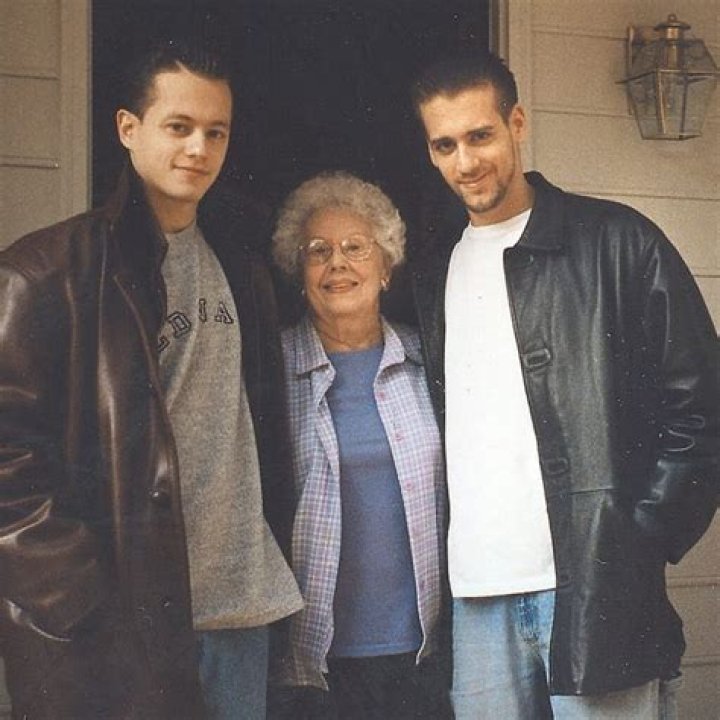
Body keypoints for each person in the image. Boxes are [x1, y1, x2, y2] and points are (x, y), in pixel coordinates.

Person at [408, 51, 720, 720]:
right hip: (476, 601)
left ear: (517, 123)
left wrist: (640, 541)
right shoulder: (432, 273)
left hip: (596, 593)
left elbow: (702, 405)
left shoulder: (618, 242)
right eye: (445, 145)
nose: (465, 162)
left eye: (480, 135)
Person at [0, 39, 302, 720]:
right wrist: (83, 602)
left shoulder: (242, 265)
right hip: (123, 631)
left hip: (242, 612)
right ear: (127, 128)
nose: (199, 148)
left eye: (215, 132)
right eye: (179, 126)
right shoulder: (46, 272)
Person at [268, 171, 451, 720]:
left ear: (386, 267)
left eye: (355, 247)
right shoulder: (269, 369)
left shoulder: (429, 361)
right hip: (309, 661)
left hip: (421, 652)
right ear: (299, 273)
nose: (338, 264)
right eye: (318, 251)